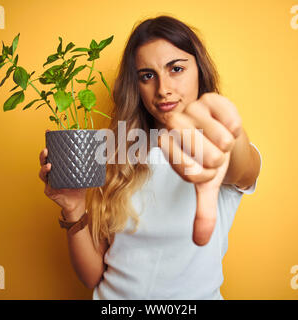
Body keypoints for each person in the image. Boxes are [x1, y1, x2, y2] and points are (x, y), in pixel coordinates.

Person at [38, 15, 262, 300]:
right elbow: (93, 276)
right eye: (147, 75)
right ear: (136, 85)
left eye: (176, 69)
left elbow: (241, 166)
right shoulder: (118, 154)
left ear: (200, 72)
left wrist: (229, 131)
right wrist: (73, 208)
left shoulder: (218, 150)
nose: (163, 89)